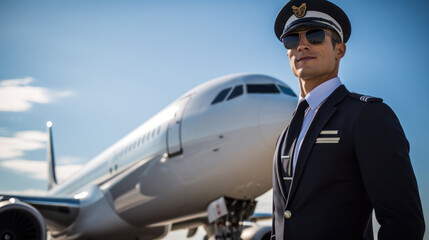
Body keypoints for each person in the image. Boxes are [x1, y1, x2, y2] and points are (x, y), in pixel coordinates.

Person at [271, 0, 425, 239]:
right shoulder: (286, 134)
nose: (302, 45)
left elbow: (403, 222)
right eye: (292, 39)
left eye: (315, 36)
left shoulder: (367, 115)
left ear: (339, 50)